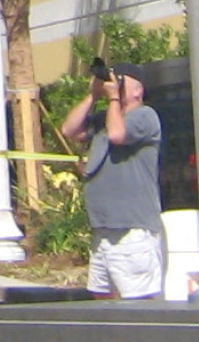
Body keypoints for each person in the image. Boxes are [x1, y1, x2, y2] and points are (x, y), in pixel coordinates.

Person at [57, 67, 169, 300]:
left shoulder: (145, 116)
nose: (113, 84)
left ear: (138, 89)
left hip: (132, 230)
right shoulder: (104, 119)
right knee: (103, 299)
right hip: (103, 230)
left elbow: (118, 135)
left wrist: (114, 98)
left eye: (120, 81)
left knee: (138, 303)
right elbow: (69, 129)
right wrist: (93, 95)